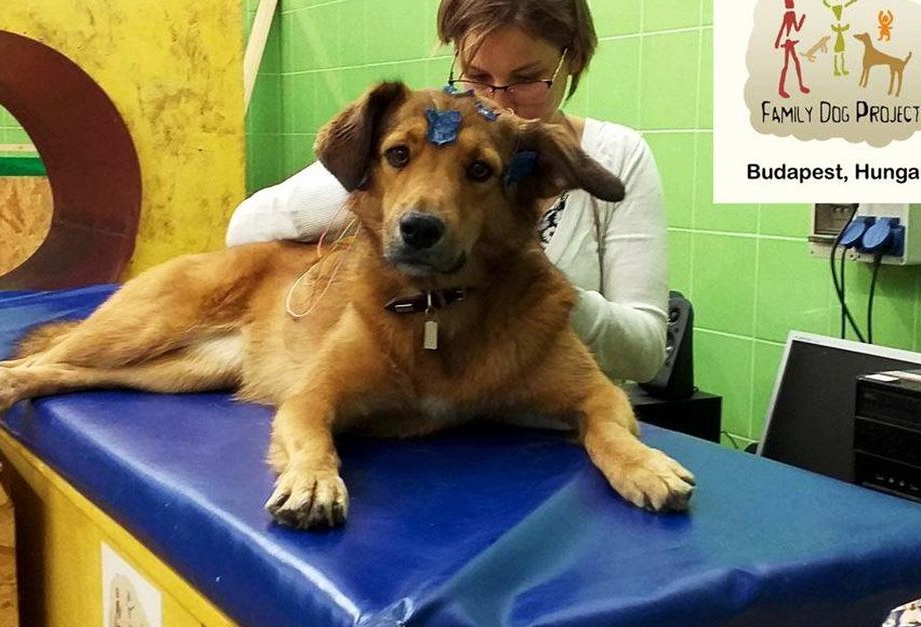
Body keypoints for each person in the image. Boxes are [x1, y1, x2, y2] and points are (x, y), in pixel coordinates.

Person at [227, 0, 669, 385]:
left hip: (552, 429)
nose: (499, 101)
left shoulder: (617, 154)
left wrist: (534, 288)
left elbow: (646, 353)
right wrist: (386, 208)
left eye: (527, 80)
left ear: (572, 61)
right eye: (477, 75)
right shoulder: (415, 144)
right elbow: (246, 227)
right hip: (419, 420)